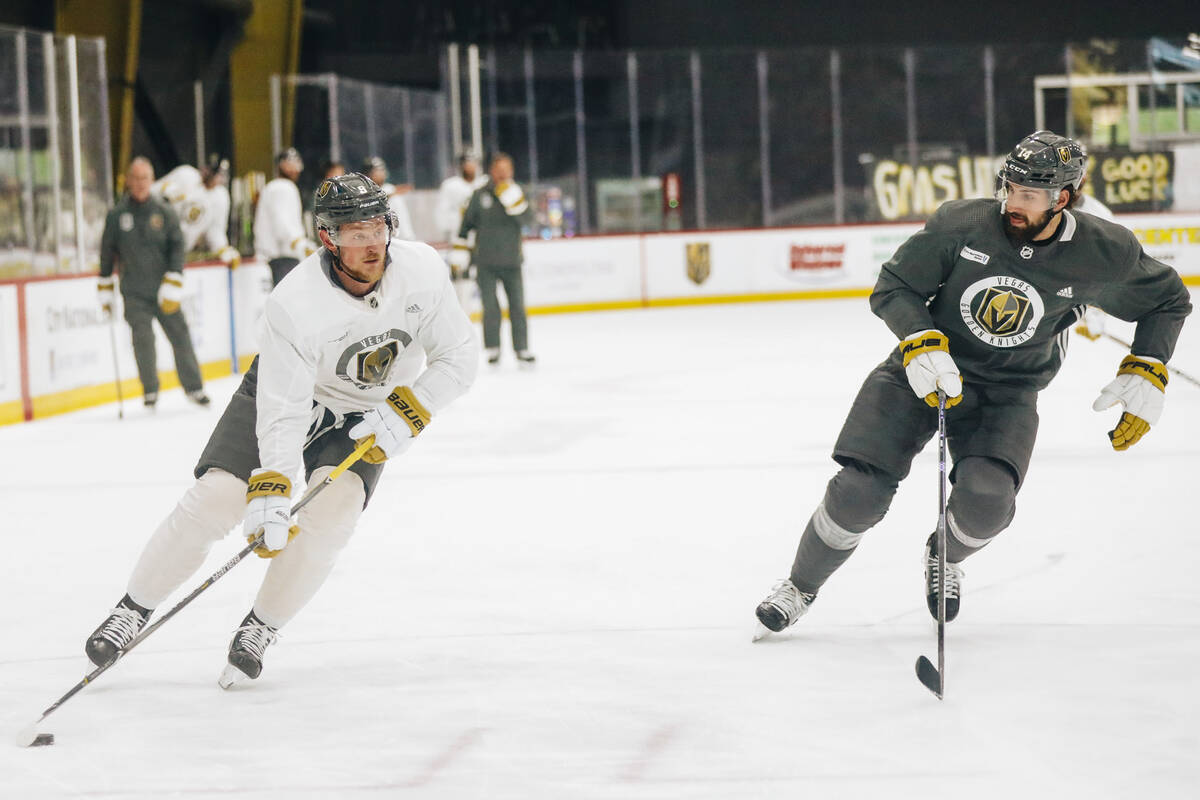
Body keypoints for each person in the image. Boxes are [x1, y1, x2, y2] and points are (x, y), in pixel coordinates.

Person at [753, 130, 1192, 638]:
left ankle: (944, 555)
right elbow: (895, 286)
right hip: (920, 373)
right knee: (858, 493)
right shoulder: (960, 224)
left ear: (1063, 199)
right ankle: (799, 586)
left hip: (1007, 393)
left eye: (1029, 195)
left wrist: (1149, 364)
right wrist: (920, 340)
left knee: (986, 504)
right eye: (1010, 188)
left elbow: (1168, 300)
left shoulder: (1103, 251)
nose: (1013, 203)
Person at [82, 172, 479, 687]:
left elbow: (460, 355)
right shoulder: (295, 302)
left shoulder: (422, 269)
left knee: (332, 513)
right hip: (286, 393)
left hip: (370, 410)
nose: (371, 244)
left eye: (378, 228)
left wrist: (415, 406)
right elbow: (286, 407)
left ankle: (261, 626)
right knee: (220, 496)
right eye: (355, 234)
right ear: (328, 239)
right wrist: (271, 486)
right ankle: (134, 607)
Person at [98, 157, 210, 408]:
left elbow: (177, 246)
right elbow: (107, 253)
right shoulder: (117, 215)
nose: (139, 183)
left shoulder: (165, 211)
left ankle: (194, 388)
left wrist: (174, 277)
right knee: (143, 340)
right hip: (134, 292)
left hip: (163, 291)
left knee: (180, 335)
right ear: (128, 181)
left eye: (144, 178)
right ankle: (150, 390)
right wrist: (104, 287)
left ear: (152, 180)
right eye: (135, 178)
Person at [458, 152, 536, 366]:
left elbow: (528, 220)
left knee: (518, 306)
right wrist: (462, 252)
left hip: (513, 261)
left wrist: (513, 201)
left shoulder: (518, 193)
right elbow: (466, 225)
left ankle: (522, 348)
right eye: (499, 170)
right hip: (485, 262)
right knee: (490, 306)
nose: (502, 174)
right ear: (492, 171)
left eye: (506, 170)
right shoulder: (480, 194)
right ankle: (493, 348)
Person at [152, 154, 239, 267]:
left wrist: (223, 249)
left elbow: (215, 231)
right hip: (155, 241)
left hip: (180, 252)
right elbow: (150, 192)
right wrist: (165, 191)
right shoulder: (185, 174)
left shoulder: (221, 198)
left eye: (220, 175)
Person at [254, 148, 314, 286]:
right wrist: (298, 242)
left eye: (297, 163)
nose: (296, 168)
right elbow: (282, 222)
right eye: (291, 163)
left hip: (277, 257)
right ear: (281, 165)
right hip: (282, 257)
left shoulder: (276, 186)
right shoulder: (282, 187)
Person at [437, 151, 487, 310]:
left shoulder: (484, 184)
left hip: (483, 240)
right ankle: (462, 317)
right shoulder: (451, 186)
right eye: (467, 163)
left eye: (473, 162)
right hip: (460, 241)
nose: (470, 166)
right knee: (461, 283)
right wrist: (454, 226)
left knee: (485, 281)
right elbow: (442, 213)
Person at [362, 157, 416, 241]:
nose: (382, 173)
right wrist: (391, 194)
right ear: (368, 174)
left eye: (382, 170)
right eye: (377, 170)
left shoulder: (389, 188)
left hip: (401, 237)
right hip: (380, 240)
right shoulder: (363, 191)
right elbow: (373, 201)